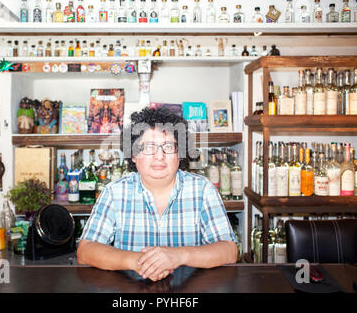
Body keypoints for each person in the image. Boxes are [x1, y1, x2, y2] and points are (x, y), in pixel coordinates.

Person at [77, 107, 238, 282]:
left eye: (168, 146)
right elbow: (86, 251)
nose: (159, 156)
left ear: (180, 154)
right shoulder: (114, 192)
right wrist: (140, 262)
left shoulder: (203, 190)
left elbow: (229, 251)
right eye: (148, 147)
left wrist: (178, 256)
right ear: (133, 155)